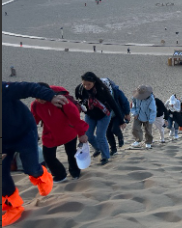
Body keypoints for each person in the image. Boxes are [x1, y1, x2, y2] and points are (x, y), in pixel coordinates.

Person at [3, 81, 68, 226]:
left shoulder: (4, 90)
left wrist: (50, 96)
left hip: (24, 132)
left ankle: (42, 175)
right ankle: (13, 207)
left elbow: (29, 87)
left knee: (31, 167)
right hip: (4, 142)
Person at [31, 83, 89, 184]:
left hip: (68, 132)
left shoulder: (62, 100)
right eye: (37, 97)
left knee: (71, 153)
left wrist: (81, 133)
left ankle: (75, 173)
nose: (40, 100)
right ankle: (60, 175)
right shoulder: (35, 105)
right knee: (48, 156)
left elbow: (75, 117)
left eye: (42, 96)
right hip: (50, 135)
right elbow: (33, 121)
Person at [75, 72, 125, 165]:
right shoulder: (80, 89)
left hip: (104, 114)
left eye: (89, 84)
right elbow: (79, 100)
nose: (86, 86)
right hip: (90, 114)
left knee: (100, 135)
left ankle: (105, 157)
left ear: (94, 82)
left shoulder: (102, 89)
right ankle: (98, 148)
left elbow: (113, 104)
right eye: (84, 84)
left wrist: (121, 120)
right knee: (88, 134)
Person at [101, 78, 130, 156]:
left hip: (118, 114)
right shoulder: (99, 93)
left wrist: (127, 113)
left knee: (115, 129)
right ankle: (113, 149)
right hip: (107, 116)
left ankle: (120, 137)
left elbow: (125, 102)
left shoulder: (117, 92)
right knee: (108, 133)